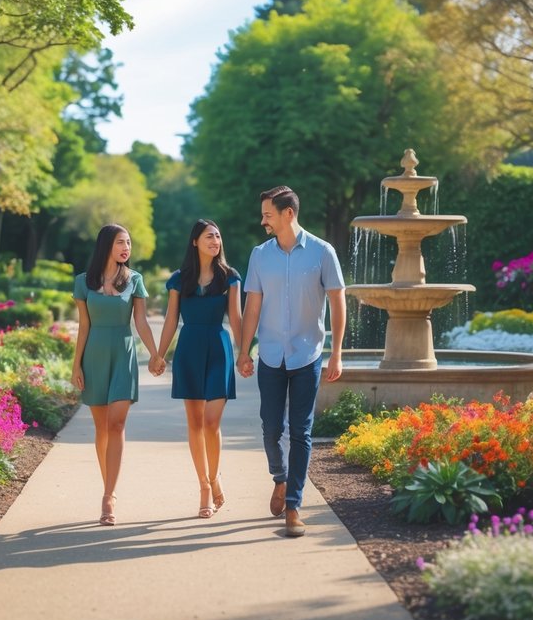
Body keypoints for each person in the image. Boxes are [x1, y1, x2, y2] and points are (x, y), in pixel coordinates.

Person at [237, 186, 346, 537]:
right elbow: (252, 305)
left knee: (301, 431)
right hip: (269, 353)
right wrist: (244, 350)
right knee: (271, 427)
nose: (262, 220)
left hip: (307, 354)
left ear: (288, 214)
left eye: (268, 214)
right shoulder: (259, 255)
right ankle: (280, 479)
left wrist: (337, 352)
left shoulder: (322, 252)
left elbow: (339, 304)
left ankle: (294, 506)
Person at [151, 220, 243, 519]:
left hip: (219, 348)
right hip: (189, 348)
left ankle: (214, 478)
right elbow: (170, 319)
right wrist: (159, 354)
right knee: (194, 423)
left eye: (218, 236)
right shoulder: (180, 279)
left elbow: (237, 319)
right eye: (209, 236)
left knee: (211, 422)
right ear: (195, 242)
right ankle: (205, 488)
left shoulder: (230, 278)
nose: (215, 241)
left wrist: (245, 354)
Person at [72, 223, 161, 526]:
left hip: (123, 354)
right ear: (107, 245)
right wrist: (76, 365)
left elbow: (142, 322)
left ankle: (108, 496)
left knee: (117, 422)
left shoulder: (134, 280)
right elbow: (84, 326)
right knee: (101, 429)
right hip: (94, 355)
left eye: (129, 243)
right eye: (122, 243)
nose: (127, 248)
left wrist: (156, 353)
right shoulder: (84, 282)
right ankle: (108, 483)